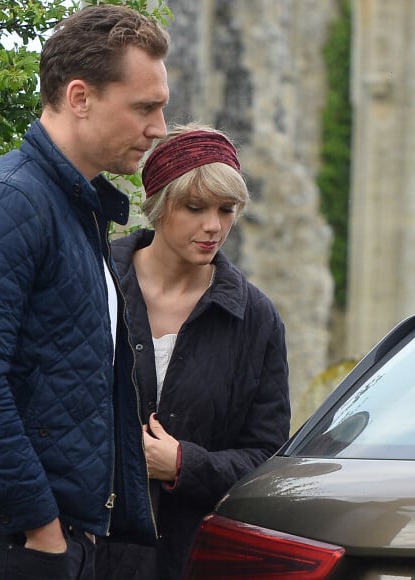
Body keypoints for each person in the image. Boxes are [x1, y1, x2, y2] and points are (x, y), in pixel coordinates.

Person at [0, 5, 170, 579]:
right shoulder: (9, 203)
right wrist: (42, 529)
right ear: (79, 97)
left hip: (39, 537)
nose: (159, 128)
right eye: (144, 108)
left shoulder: (74, 208)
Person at [95, 124, 291, 580]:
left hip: (191, 559)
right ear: (159, 207)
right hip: (83, 551)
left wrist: (184, 464)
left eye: (227, 209)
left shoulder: (255, 319)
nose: (214, 226)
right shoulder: (93, 279)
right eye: (195, 207)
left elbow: (266, 457)